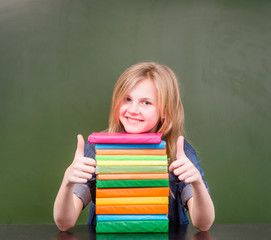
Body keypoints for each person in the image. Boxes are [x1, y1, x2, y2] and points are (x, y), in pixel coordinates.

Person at [53, 62, 215, 232]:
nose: (133, 109)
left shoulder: (179, 152)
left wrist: (196, 182)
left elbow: (203, 223)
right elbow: (64, 223)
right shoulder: (96, 149)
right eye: (127, 99)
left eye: (146, 103)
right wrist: (67, 181)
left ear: (165, 111)